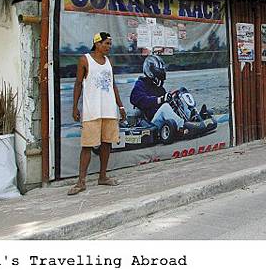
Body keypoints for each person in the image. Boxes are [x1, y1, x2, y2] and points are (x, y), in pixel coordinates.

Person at [68, 32, 127, 196]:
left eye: (110, 44)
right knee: (87, 146)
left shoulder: (109, 62)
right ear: (97, 43)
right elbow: (78, 84)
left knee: (107, 143)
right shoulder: (84, 59)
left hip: (108, 110)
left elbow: (113, 85)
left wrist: (120, 107)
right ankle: (81, 182)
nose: (109, 47)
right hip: (92, 110)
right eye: (106, 44)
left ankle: (103, 176)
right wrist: (74, 107)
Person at [130, 54, 200, 134]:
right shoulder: (140, 84)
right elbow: (137, 99)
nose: (161, 73)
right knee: (165, 107)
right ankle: (183, 127)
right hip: (151, 122)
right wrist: (160, 100)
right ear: (150, 70)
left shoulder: (158, 87)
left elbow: (166, 99)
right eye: (158, 70)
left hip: (162, 118)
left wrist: (172, 98)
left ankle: (193, 116)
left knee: (178, 100)